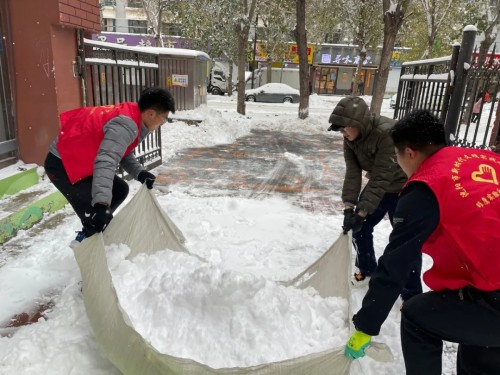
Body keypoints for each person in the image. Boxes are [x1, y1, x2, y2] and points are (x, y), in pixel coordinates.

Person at [344, 110, 500, 375]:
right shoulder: (485, 159)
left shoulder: (425, 187)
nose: (398, 163)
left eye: (397, 156)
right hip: (489, 287)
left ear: (410, 152)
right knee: (477, 339)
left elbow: (396, 264)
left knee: (417, 316)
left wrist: (366, 325)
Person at [44, 87, 175, 247]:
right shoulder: (126, 125)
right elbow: (107, 161)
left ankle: (93, 235)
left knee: (119, 190)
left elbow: (121, 152)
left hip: (78, 160)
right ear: (151, 113)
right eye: (163, 119)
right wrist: (101, 204)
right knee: (97, 214)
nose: (162, 124)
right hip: (62, 165)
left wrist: (140, 173)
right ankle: (85, 245)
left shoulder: (132, 117)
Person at [327, 96, 422, 301]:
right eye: (340, 130)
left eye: (344, 129)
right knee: (359, 229)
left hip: (404, 187)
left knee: (406, 241)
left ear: (357, 123)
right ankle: (367, 269)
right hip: (381, 186)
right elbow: (352, 173)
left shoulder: (386, 133)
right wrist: (348, 208)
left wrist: (362, 212)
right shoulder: (350, 139)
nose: (342, 133)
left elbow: (381, 175)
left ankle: (412, 294)